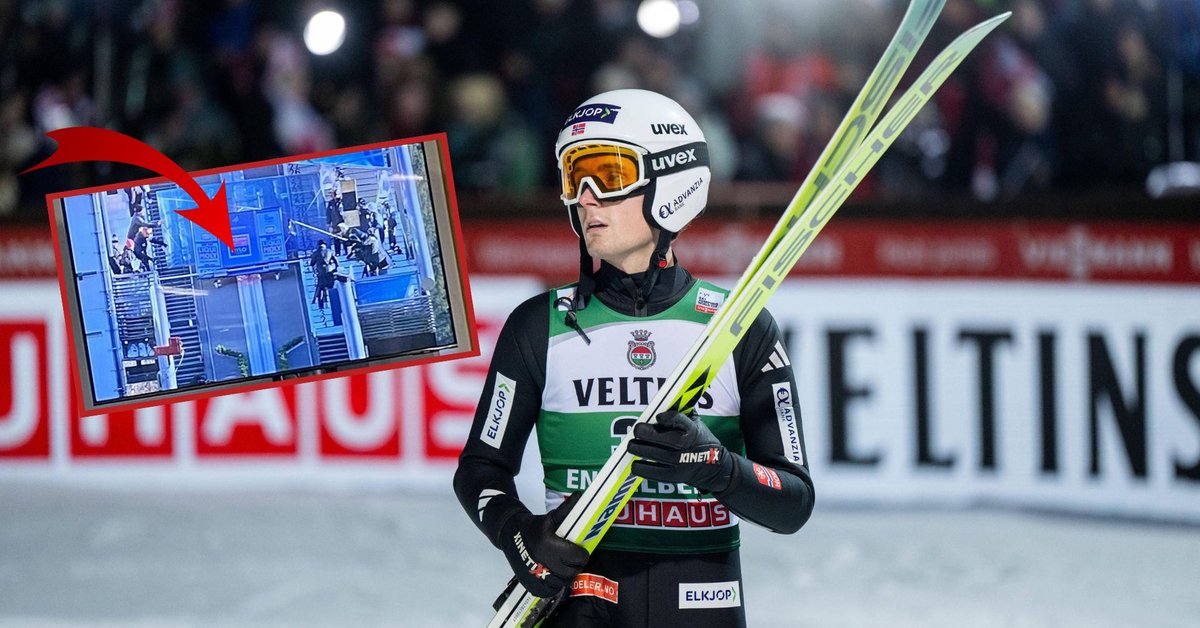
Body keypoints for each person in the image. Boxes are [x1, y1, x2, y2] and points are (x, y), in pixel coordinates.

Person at [453, 89, 814, 628]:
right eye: (574, 178)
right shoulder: (539, 326)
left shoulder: (737, 327)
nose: (586, 198)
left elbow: (793, 501)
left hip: (702, 606)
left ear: (671, 185)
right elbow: (480, 471)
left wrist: (716, 466)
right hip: (580, 605)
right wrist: (519, 535)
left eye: (607, 173)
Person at [308, 240, 338, 309]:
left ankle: (320, 305)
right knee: (331, 287)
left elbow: (312, 263)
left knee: (320, 288)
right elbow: (336, 261)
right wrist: (335, 268)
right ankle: (334, 303)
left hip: (321, 272)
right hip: (330, 271)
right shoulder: (329, 251)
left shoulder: (316, 253)